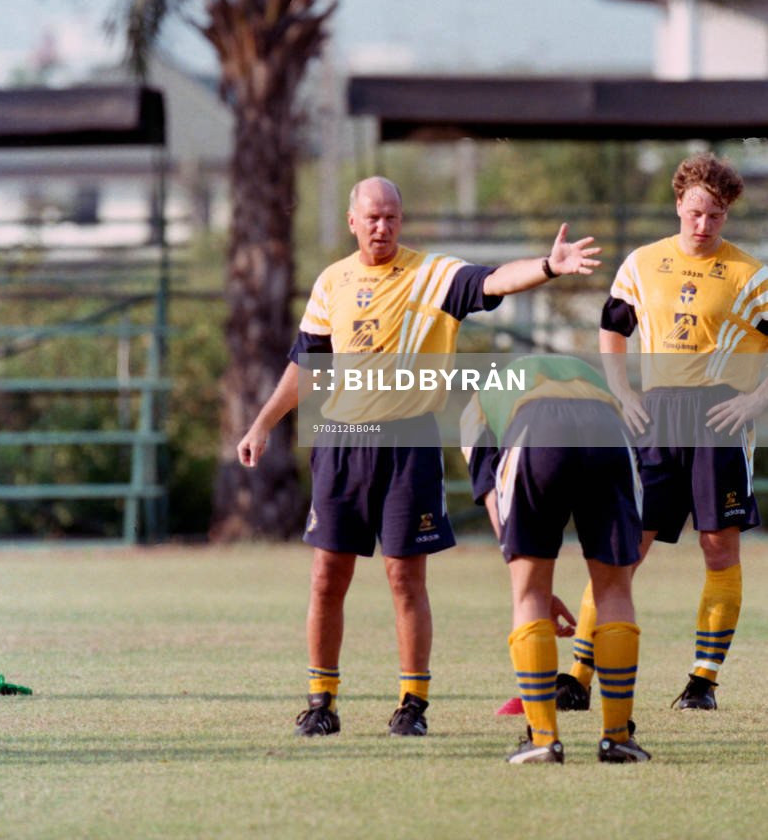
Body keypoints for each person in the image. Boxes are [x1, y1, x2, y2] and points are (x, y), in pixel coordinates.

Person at [238, 176, 600, 737]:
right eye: (372, 218)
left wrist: (548, 267)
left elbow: (494, 280)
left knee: (405, 578)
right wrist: (263, 423)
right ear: (353, 221)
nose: (382, 228)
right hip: (341, 443)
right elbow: (307, 364)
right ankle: (321, 701)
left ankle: (412, 704)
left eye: (391, 218)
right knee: (326, 577)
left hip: (408, 444)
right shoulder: (332, 281)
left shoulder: (431, 275)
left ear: (400, 221)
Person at [559, 152, 768, 714]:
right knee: (624, 547)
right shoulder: (642, 264)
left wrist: (755, 401)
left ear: (727, 216)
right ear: (679, 204)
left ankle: (703, 682)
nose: (703, 225)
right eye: (696, 212)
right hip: (655, 419)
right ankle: (577, 674)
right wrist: (622, 391)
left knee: (718, 546)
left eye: (716, 216)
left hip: (719, 422)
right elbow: (612, 325)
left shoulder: (752, 275)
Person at [462, 354, 650, 764]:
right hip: (607, 429)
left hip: (537, 428)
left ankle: (544, 740)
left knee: (526, 592)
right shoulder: (580, 374)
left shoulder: (475, 407)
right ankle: (617, 738)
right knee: (615, 589)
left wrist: (531, 584)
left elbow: (495, 500)